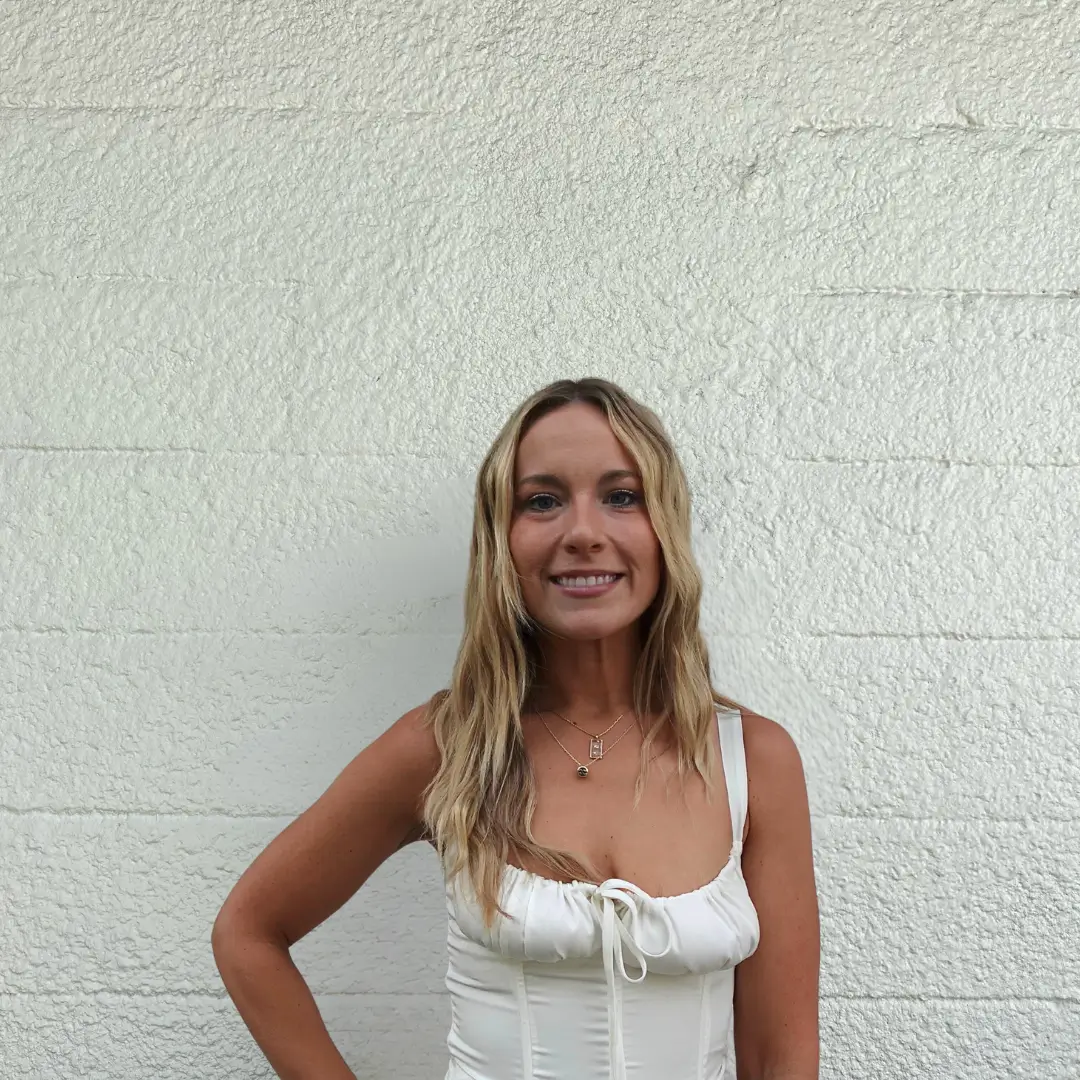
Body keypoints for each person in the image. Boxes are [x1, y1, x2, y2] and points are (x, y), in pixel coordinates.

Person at [212, 376, 820, 1079]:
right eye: (542, 501)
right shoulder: (445, 747)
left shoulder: (753, 760)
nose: (583, 533)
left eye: (622, 496)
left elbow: (782, 1055)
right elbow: (249, 932)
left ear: (665, 528)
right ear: (502, 540)